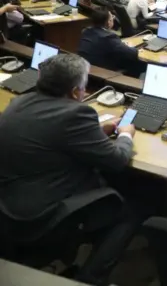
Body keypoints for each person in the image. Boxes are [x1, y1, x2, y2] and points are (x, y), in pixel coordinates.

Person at [0, 54, 138, 285]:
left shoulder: (18, 103)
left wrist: (95, 133)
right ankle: (91, 278)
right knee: (134, 209)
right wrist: (125, 134)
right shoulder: (76, 114)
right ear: (75, 92)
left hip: (7, 206)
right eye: (83, 88)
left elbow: (51, 136)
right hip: (43, 215)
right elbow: (117, 160)